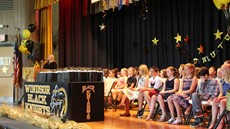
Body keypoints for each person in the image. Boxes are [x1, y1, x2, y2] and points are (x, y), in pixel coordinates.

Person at [208, 63, 230, 129]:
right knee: (215, 101)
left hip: (228, 98)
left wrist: (222, 98)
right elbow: (221, 92)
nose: (220, 71)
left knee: (222, 102)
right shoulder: (221, 81)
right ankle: (213, 122)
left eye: (223, 70)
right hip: (225, 97)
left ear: (228, 71)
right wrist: (218, 97)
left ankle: (221, 122)